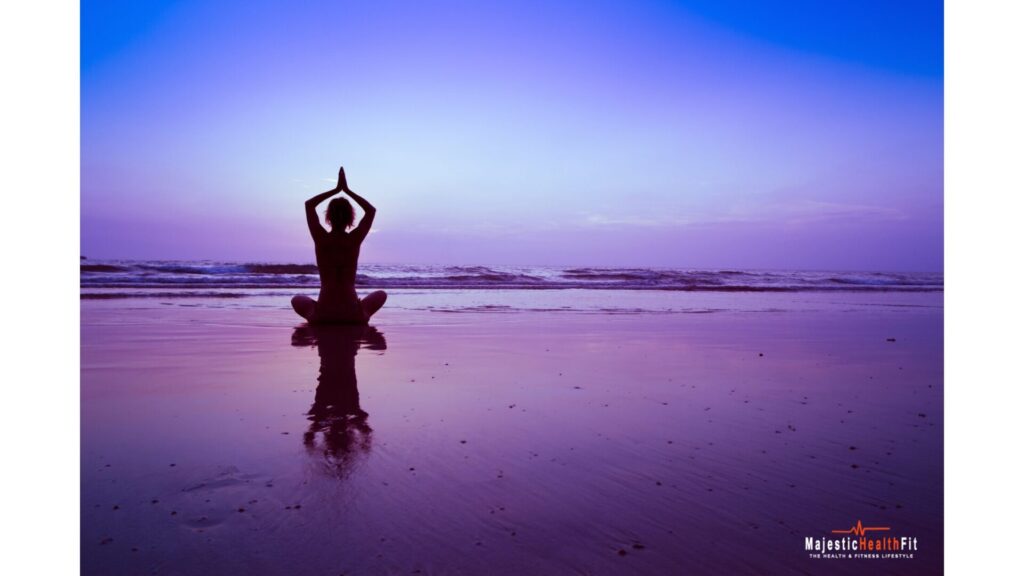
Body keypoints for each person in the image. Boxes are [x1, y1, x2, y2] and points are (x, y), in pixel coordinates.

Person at [291, 166, 387, 324]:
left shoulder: (321, 238)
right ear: (351, 218)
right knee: (381, 294)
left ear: (328, 217)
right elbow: (371, 210)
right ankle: (362, 312)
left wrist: (336, 190)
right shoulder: (354, 239)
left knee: (296, 299)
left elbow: (309, 205)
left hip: (323, 315)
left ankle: (315, 312)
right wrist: (347, 190)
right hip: (352, 315)